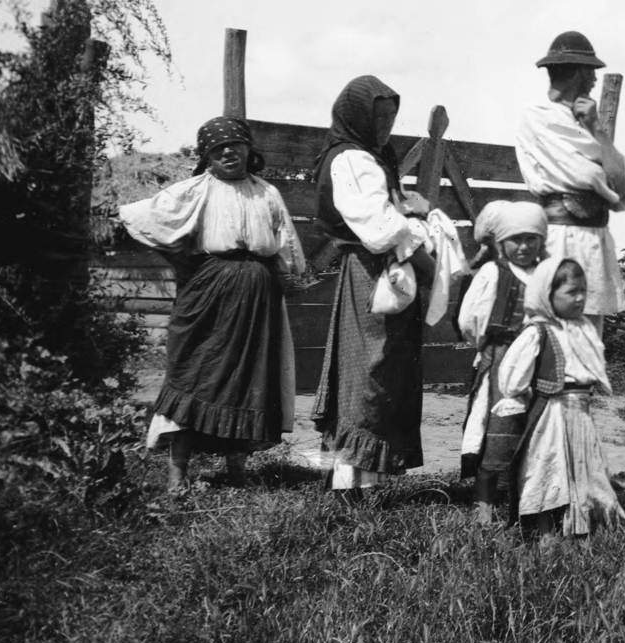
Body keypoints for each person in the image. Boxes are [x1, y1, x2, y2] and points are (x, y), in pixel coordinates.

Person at [120, 117, 305, 494]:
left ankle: (237, 473)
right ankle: (177, 476)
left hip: (257, 299)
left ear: (249, 151)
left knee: (247, 381)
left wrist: (286, 280)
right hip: (207, 295)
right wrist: (181, 261)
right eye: (218, 149)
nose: (228, 153)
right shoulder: (194, 191)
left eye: (235, 145)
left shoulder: (266, 192)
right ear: (207, 157)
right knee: (192, 375)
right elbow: (142, 218)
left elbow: (286, 247)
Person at [309, 76, 436, 497]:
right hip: (371, 270)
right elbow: (380, 228)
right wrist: (421, 248)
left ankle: (367, 482)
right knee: (370, 371)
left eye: (391, 116)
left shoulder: (377, 156)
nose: (385, 124)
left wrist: (412, 217)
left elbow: (393, 212)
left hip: (387, 269)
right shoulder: (351, 160)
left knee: (387, 368)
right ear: (356, 116)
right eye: (377, 116)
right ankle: (349, 486)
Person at [514, 32, 625, 338]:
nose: (595, 81)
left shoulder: (588, 123)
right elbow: (587, 175)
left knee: (589, 333)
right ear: (580, 74)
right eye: (592, 73)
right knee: (552, 326)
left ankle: (583, 385)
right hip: (558, 235)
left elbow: (623, 189)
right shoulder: (537, 118)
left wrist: (597, 129)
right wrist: (599, 173)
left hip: (595, 237)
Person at [498, 256, 625, 537]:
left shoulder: (584, 329)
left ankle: (581, 528)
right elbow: (513, 372)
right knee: (549, 469)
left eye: (584, 291)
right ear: (547, 294)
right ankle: (545, 532)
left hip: (581, 415)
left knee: (585, 471)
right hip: (553, 414)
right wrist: (518, 396)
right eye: (571, 292)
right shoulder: (538, 331)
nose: (580, 298)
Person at [458, 199, 549, 522]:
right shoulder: (492, 273)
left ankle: (527, 501)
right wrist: (486, 345)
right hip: (501, 360)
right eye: (516, 239)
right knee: (496, 427)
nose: (523, 247)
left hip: (540, 364)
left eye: (531, 239)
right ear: (501, 242)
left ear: (542, 240)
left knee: (534, 429)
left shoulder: (548, 273)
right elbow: (469, 319)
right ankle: (484, 503)